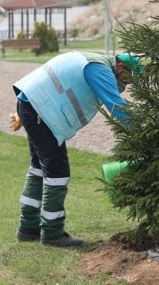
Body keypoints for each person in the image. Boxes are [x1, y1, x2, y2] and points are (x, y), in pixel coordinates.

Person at [12, 51, 142, 247]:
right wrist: (145, 133)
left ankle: (28, 228)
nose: (127, 84)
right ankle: (52, 233)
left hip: (32, 103)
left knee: (39, 166)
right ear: (121, 67)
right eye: (128, 78)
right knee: (57, 171)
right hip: (40, 109)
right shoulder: (99, 69)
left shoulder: (94, 61)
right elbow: (117, 106)